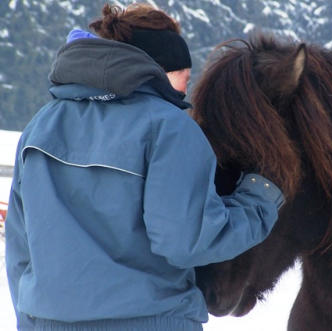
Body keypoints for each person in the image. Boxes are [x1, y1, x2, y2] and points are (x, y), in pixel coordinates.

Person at [5, 3, 284, 331]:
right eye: (186, 78)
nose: (185, 93)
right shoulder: (168, 127)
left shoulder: (42, 124)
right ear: (163, 69)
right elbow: (187, 240)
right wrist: (259, 199)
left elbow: (20, 249)